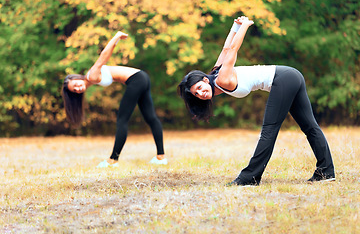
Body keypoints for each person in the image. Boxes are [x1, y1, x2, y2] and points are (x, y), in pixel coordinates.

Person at [177, 16, 335, 185]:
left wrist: (244, 25)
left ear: (205, 80)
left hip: (283, 79)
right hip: (290, 75)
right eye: (196, 94)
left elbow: (233, 50)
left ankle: (250, 178)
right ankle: (326, 172)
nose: (201, 94)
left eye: (199, 88)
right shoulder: (216, 73)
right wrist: (234, 26)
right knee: (309, 126)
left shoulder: (221, 78)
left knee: (269, 130)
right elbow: (225, 48)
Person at [62, 31, 167, 167]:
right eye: (75, 91)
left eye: (76, 84)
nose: (78, 89)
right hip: (141, 77)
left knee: (122, 120)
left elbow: (104, 56)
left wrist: (116, 37)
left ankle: (113, 160)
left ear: (76, 78)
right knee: (150, 117)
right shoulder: (91, 79)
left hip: (137, 80)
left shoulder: (91, 76)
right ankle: (161, 157)